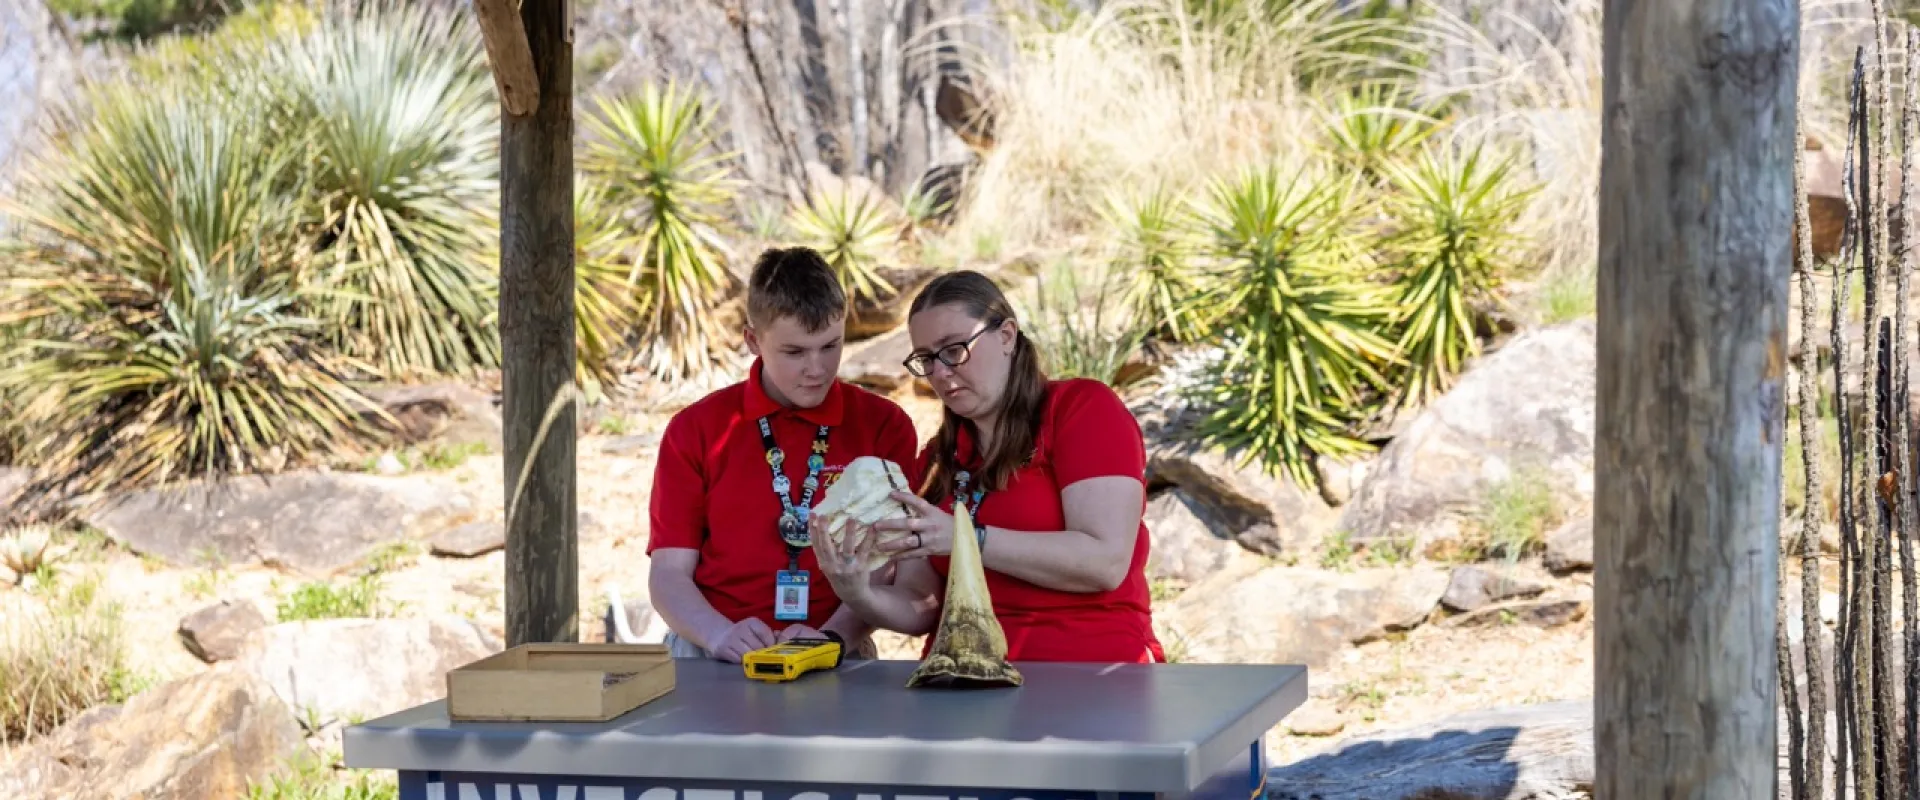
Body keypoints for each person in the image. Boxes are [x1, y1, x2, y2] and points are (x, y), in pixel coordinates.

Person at [812, 269, 1166, 664]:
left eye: (954, 349)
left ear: (1007, 335)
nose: (941, 373)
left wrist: (968, 538)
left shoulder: (1081, 409)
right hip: (964, 683)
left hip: (1089, 673)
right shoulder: (936, 461)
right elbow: (922, 604)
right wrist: (858, 592)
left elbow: (1105, 562)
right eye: (926, 359)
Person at [647, 247, 921, 663]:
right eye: (794, 352)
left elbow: (885, 566)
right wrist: (719, 636)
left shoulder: (884, 426)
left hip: (834, 649)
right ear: (753, 340)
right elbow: (668, 574)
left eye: (830, 345)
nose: (817, 369)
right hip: (713, 649)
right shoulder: (697, 430)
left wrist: (831, 637)